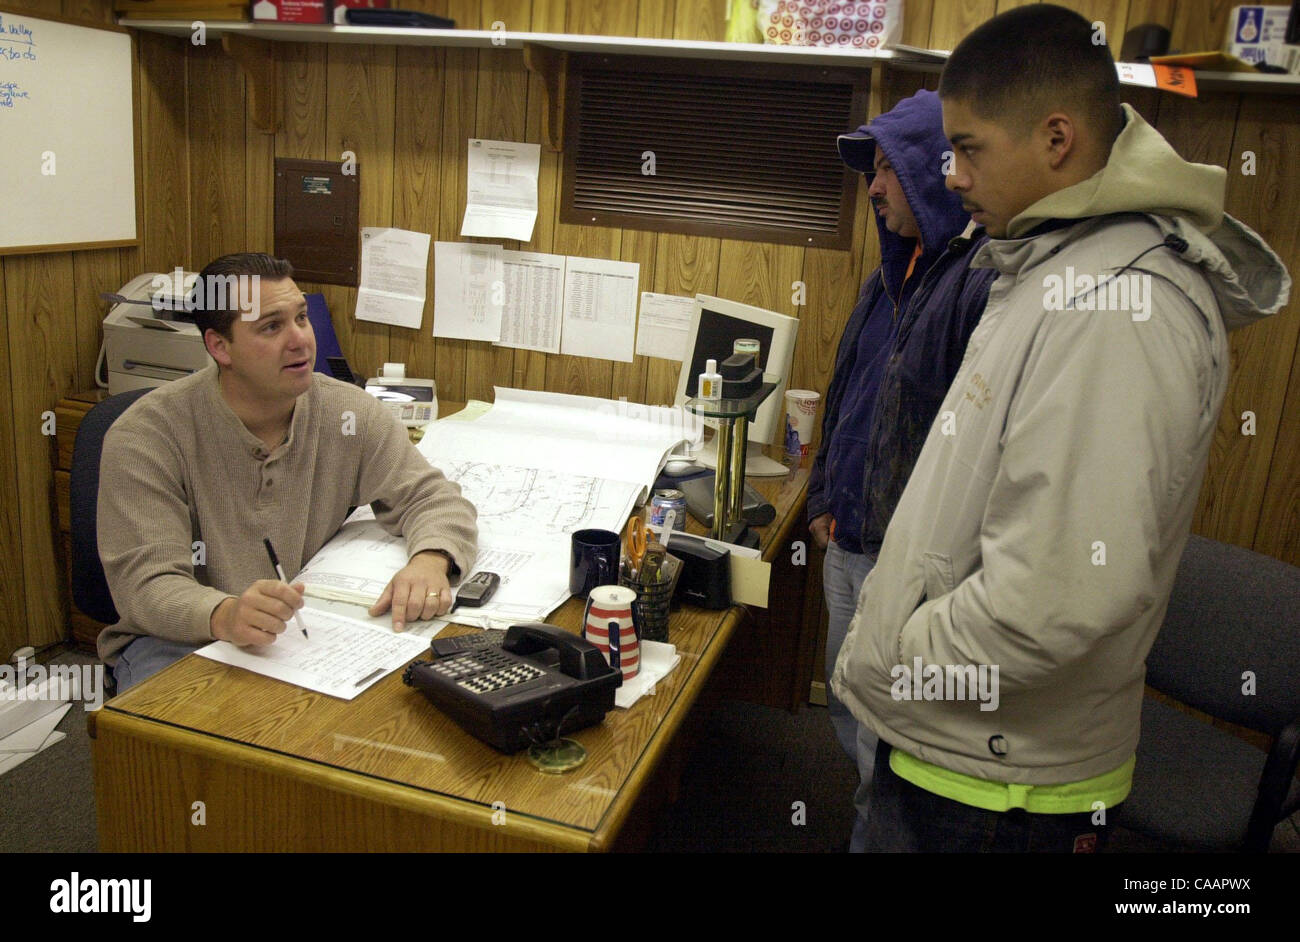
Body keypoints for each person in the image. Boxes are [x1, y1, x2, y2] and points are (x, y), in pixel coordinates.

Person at [831, 4, 1290, 852]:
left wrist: (896, 651)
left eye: (968, 148)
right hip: (963, 756)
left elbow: (1057, 602)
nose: (953, 174)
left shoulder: (1116, 306)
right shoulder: (1054, 265)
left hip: (996, 792)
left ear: (1055, 139)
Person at [97, 253, 479, 692]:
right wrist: (226, 614)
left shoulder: (347, 412)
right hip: (177, 638)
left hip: (300, 635)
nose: (299, 340)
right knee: (207, 747)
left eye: (301, 318)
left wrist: (431, 560)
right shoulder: (146, 436)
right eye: (271, 327)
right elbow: (147, 587)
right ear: (220, 347)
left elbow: (433, 498)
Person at [807, 89, 995, 849]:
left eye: (888, 170)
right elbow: (846, 389)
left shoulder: (974, 287)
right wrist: (822, 493)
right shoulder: (886, 277)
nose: (874, 188)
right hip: (846, 543)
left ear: (933, 169)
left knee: (892, 745)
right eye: (872, 171)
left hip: (904, 571)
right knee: (851, 720)